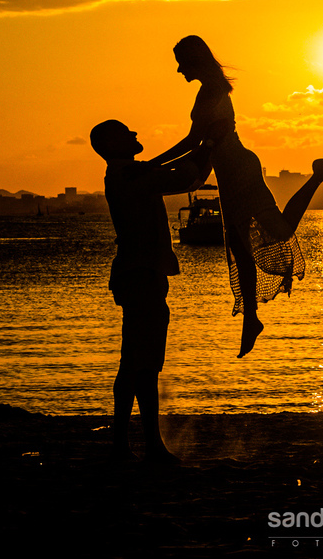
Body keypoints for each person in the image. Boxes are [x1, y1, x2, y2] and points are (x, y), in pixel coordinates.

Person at [153, 35, 323, 358]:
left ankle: (318, 174)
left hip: (239, 169)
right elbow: (201, 148)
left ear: (193, 60)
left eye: (180, 62)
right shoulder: (211, 88)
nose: (178, 70)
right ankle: (251, 319)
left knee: (280, 230)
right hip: (230, 171)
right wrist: (161, 168)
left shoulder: (211, 90)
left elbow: (192, 142)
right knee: (239, 247)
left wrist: (151, 165)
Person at [90, 118, 204, 462]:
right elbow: (186, 177)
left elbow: (178, 171)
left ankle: (132, 444)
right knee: (141, 364)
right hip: (141, 275)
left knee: (139, 364)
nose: (135, 133)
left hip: (139, 274)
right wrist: (211, 146)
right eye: (126, 132)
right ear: (112, 145)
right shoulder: (129, 175)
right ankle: (142, 445)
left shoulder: (131, 173)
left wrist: (202, 146)